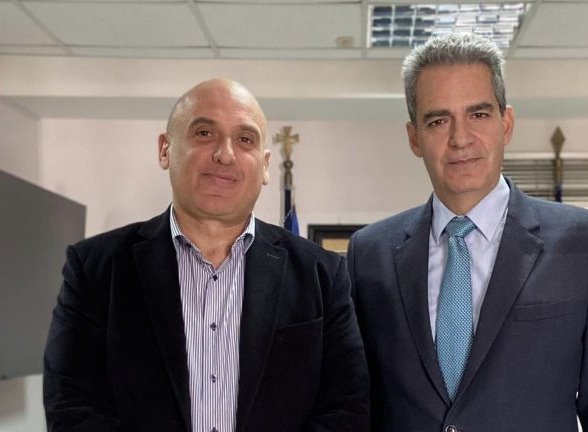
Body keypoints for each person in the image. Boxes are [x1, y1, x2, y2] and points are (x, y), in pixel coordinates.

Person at [43, 78, 369, 432]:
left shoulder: (321, 274)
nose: (225, 154)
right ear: (165, 150)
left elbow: (346, 409)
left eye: (245, 139)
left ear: (264, 165)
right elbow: (72, 406)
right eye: (204, 133)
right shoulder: (96, 268)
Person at [347, 33, 588, 432]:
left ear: (507, 123)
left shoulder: (587, 243)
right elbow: (357, 406)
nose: (460, 139)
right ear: (414, 138)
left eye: (479, 114)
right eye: (438, 120)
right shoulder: (369, 253)